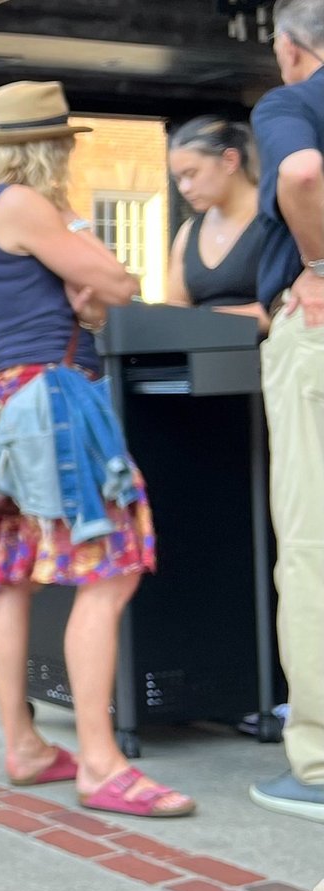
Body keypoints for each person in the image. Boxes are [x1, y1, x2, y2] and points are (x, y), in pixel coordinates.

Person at [0, 80, 194, 817]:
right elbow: (115, 282)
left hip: (8, 399)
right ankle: (100, 762)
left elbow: (89, 289)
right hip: (55, 399)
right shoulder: (28, 204)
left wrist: (85, 284)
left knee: (9, 578)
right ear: (49, 147)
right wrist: (91, 276)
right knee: (109, 569)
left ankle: (24, 745)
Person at [249, 0, 324, 823]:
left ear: (287, 47)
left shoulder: (291, 100)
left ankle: (318, 761)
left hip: (315, 332)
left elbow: (302, 174)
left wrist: (321, 262)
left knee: (311, 548)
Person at [164, 117, 269, 327]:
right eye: (178, 179)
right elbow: (175, 308)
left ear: (230, 160)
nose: (184, 188)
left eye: (191, 174)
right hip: (205, 355)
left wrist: (204, 319)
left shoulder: (274, 218)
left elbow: (284, 312)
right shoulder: (189, 231)